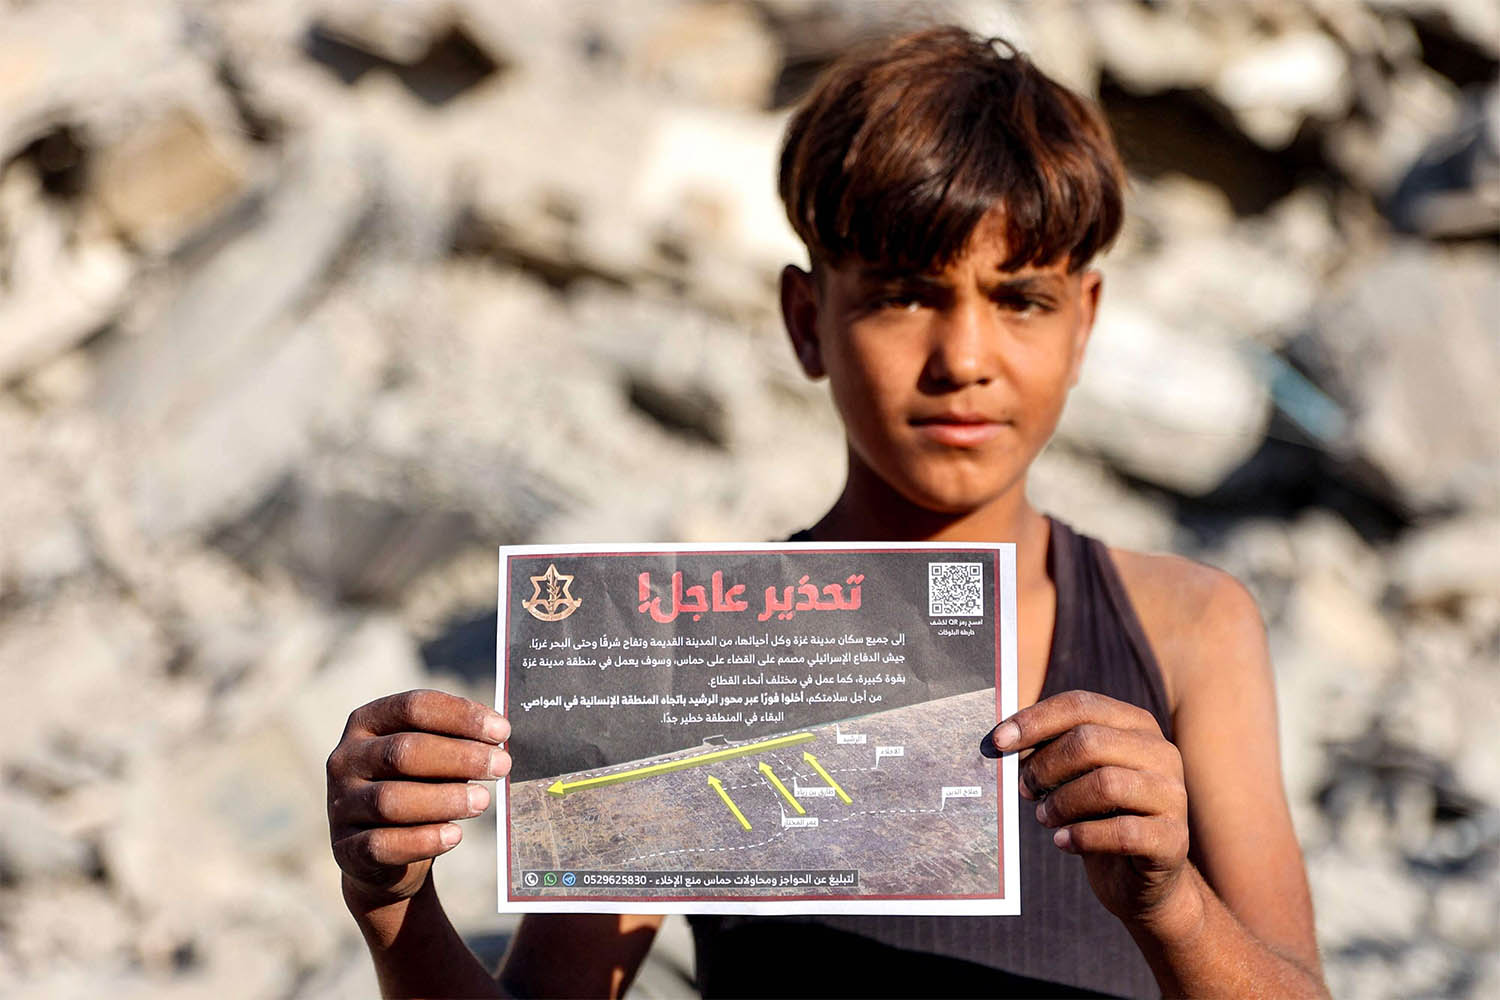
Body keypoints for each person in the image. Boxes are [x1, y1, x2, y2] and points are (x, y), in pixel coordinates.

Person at [324, 25, 1330, 999]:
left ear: (1085, 325)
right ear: (808, 322)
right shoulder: (683, 649)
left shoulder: (1188, 628)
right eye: (904, 295)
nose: (964, 358)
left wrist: (1170, 904)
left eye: (1021, 299)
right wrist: (392, 904)